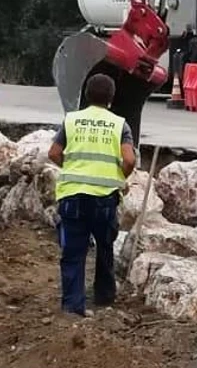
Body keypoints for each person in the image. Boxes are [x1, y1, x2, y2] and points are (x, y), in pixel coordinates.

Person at [48, 73, 138, 316]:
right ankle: (104, 296)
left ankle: (73, 307)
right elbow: (129, 159)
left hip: (72, 197)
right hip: (104, 199)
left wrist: (74, 166)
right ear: (111, 97)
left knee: (73, 253)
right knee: (105, 246)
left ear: (86, 95)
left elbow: (54, 153)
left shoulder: (72, 121)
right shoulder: (119, 125)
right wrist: (120, 175)